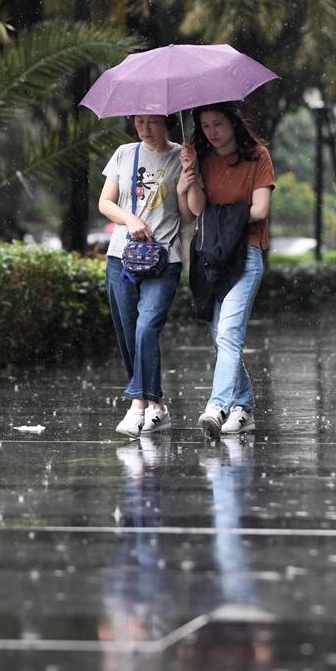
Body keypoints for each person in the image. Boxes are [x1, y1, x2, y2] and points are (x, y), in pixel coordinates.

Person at [99, 114, 205, 437]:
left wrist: (188, 177)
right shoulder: (124, 153)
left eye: (152, 122)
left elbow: (188, 215)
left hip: (165, 259)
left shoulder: (183, 156)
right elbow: (105, 202)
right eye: (139, 121)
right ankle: (156, 404)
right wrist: (129, 219)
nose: (145, 129)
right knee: (128, 333)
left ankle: (137, 406)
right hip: (122, 257)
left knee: (146, 327)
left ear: (167, 121)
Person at [180, 102, 274, 438]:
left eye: (218, 123)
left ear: (233, 123)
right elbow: (194, 212)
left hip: (246, 255)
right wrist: (189, 178)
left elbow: (260, 209)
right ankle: (244, 407)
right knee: (220, 338)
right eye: (205, 125)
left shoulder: (258, 157)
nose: (212, 131)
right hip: (210, 258)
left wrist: (225, 219)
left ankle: (216, 406)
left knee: (229, 335)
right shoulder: (200, 160)